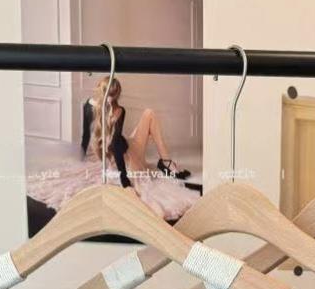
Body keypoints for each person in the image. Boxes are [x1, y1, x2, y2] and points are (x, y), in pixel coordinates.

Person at [28, 75, 199, 222]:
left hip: (113, 159)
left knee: (139, 126)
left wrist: (81, 159)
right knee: (149, 114)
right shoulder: (118, 110)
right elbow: (116, 145)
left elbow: (87, 137)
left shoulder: (89, 105)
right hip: (128, 159)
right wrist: (125, 182)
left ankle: (165, 162)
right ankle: (166, 162)